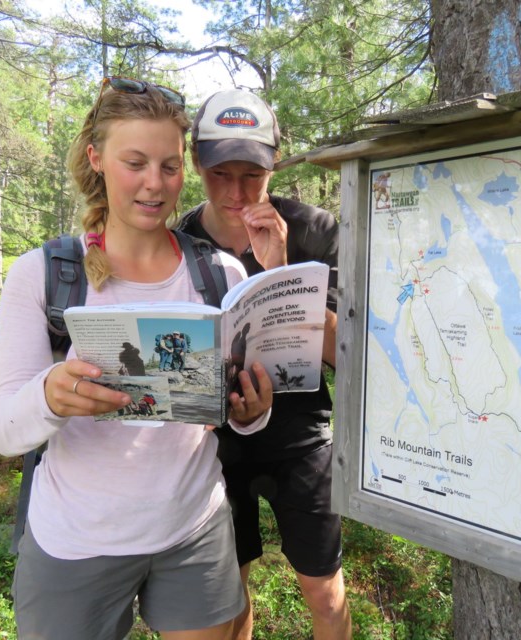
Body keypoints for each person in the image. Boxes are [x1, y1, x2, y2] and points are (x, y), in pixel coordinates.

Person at [0, 77, 275, 640]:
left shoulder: (221, 275)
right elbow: (1, 429)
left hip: (194, 527)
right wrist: (49, 395)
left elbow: (241, 406)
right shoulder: (43, 276)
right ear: (96, 158)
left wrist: (249, 411)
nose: (154, 184)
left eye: (169, 166)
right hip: (76, 540)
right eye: (134, 162)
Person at [175, 89, 350, 640]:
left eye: (252, 174)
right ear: (196, 164)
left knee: (324, 590)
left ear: (274, 162)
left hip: (301, 435)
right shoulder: (178, 241)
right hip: (218, 440)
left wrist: (284, 272)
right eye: (219, 174)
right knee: (230, 593)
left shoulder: (314, 230)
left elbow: (347, 355)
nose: (235, 192)